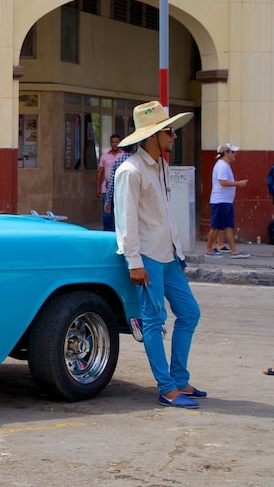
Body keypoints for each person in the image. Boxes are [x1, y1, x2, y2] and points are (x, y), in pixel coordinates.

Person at [114, 100, 205, 409]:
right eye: (169, 132)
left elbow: (165, 213)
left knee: (190, 313)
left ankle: (180, 379)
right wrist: (134, 262)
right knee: (153, 322)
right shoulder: (130, 170)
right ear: (152, 136)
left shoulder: (162, 166)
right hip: (147, 258)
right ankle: (167, 388)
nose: (174, 137)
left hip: (168, 255)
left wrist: (178, 250)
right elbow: (125, 221)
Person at [204, 143, 249, 258]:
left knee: (228, 226)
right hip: (220, 201)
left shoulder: (224, 165)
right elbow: (222, 182)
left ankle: (234, 251)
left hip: (226, 201)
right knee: (216, 227)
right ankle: (209, 249)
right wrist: (238, 183)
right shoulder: (222, 166)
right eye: (233, 152)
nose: (235, 154)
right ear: (226, 153)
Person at [102, 144, 135, 226]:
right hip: (135, 196)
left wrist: (108, 201)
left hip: (120, 196)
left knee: (120, 219)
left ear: (123, 149)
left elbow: (111, 183)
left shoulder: (117, 162)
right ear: (134, 148)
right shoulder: (138, 162)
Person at [97, 134, 124, 231]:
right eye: (113, 142)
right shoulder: (104, 156)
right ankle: (107, 234)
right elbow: (100, 172)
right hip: (106, 189)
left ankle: (116, 234)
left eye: (117, 142)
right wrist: (98, 188)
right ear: (110, 143)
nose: (115, 144)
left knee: (118, 213)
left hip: (120, 189)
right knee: (106, 214)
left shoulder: (123, 155)